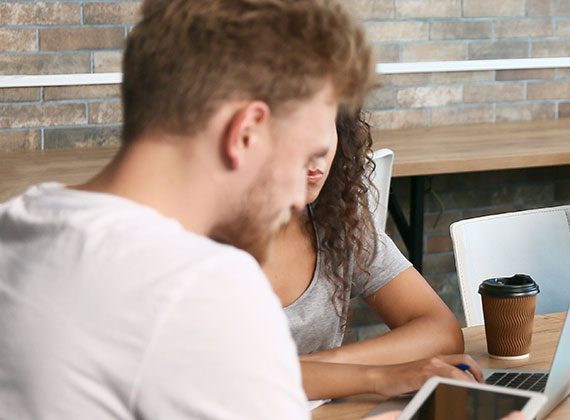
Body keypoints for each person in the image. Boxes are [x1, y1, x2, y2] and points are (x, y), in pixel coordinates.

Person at [0, 0, 430, 418]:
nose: (299, 198)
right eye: (305, 157)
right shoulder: (201, 284)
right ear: (245, 133)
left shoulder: (16, 226)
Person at [262, 108, 478, 400]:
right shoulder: (204, 239)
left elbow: (441, 331)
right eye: (298, 126)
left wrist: (320, 367)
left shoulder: (335, 217)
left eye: (327, 124)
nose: (321, 146)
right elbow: (228, 381)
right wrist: (378, 375)